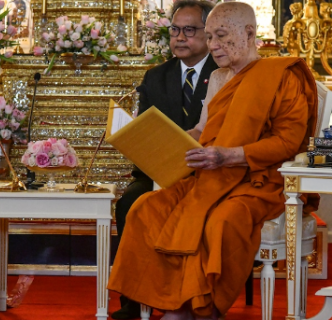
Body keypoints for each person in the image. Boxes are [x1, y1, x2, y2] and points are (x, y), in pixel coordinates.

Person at [108, 2, 318, 319]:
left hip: (258, 182)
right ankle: (169, 304)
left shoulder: (282, 76)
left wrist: (228, 156)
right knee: (144, 209)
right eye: (209, 37)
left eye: (220, 35)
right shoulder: (219, 78)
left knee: (220, 221)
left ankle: (203, 308)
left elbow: (287, 142)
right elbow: (202, 130)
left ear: (249, 33)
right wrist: (156, 139)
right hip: (209, 176)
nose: (213, 45)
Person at [112, 1, 217, 318]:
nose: (180, 37)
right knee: (129, 202)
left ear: (208, 33)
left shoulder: (225, 73)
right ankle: (132, 303)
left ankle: (196, 298)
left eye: (189, 30)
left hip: (206, 173)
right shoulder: (156, 76)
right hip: (156, 171)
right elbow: (146, 131)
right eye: (175, 30)